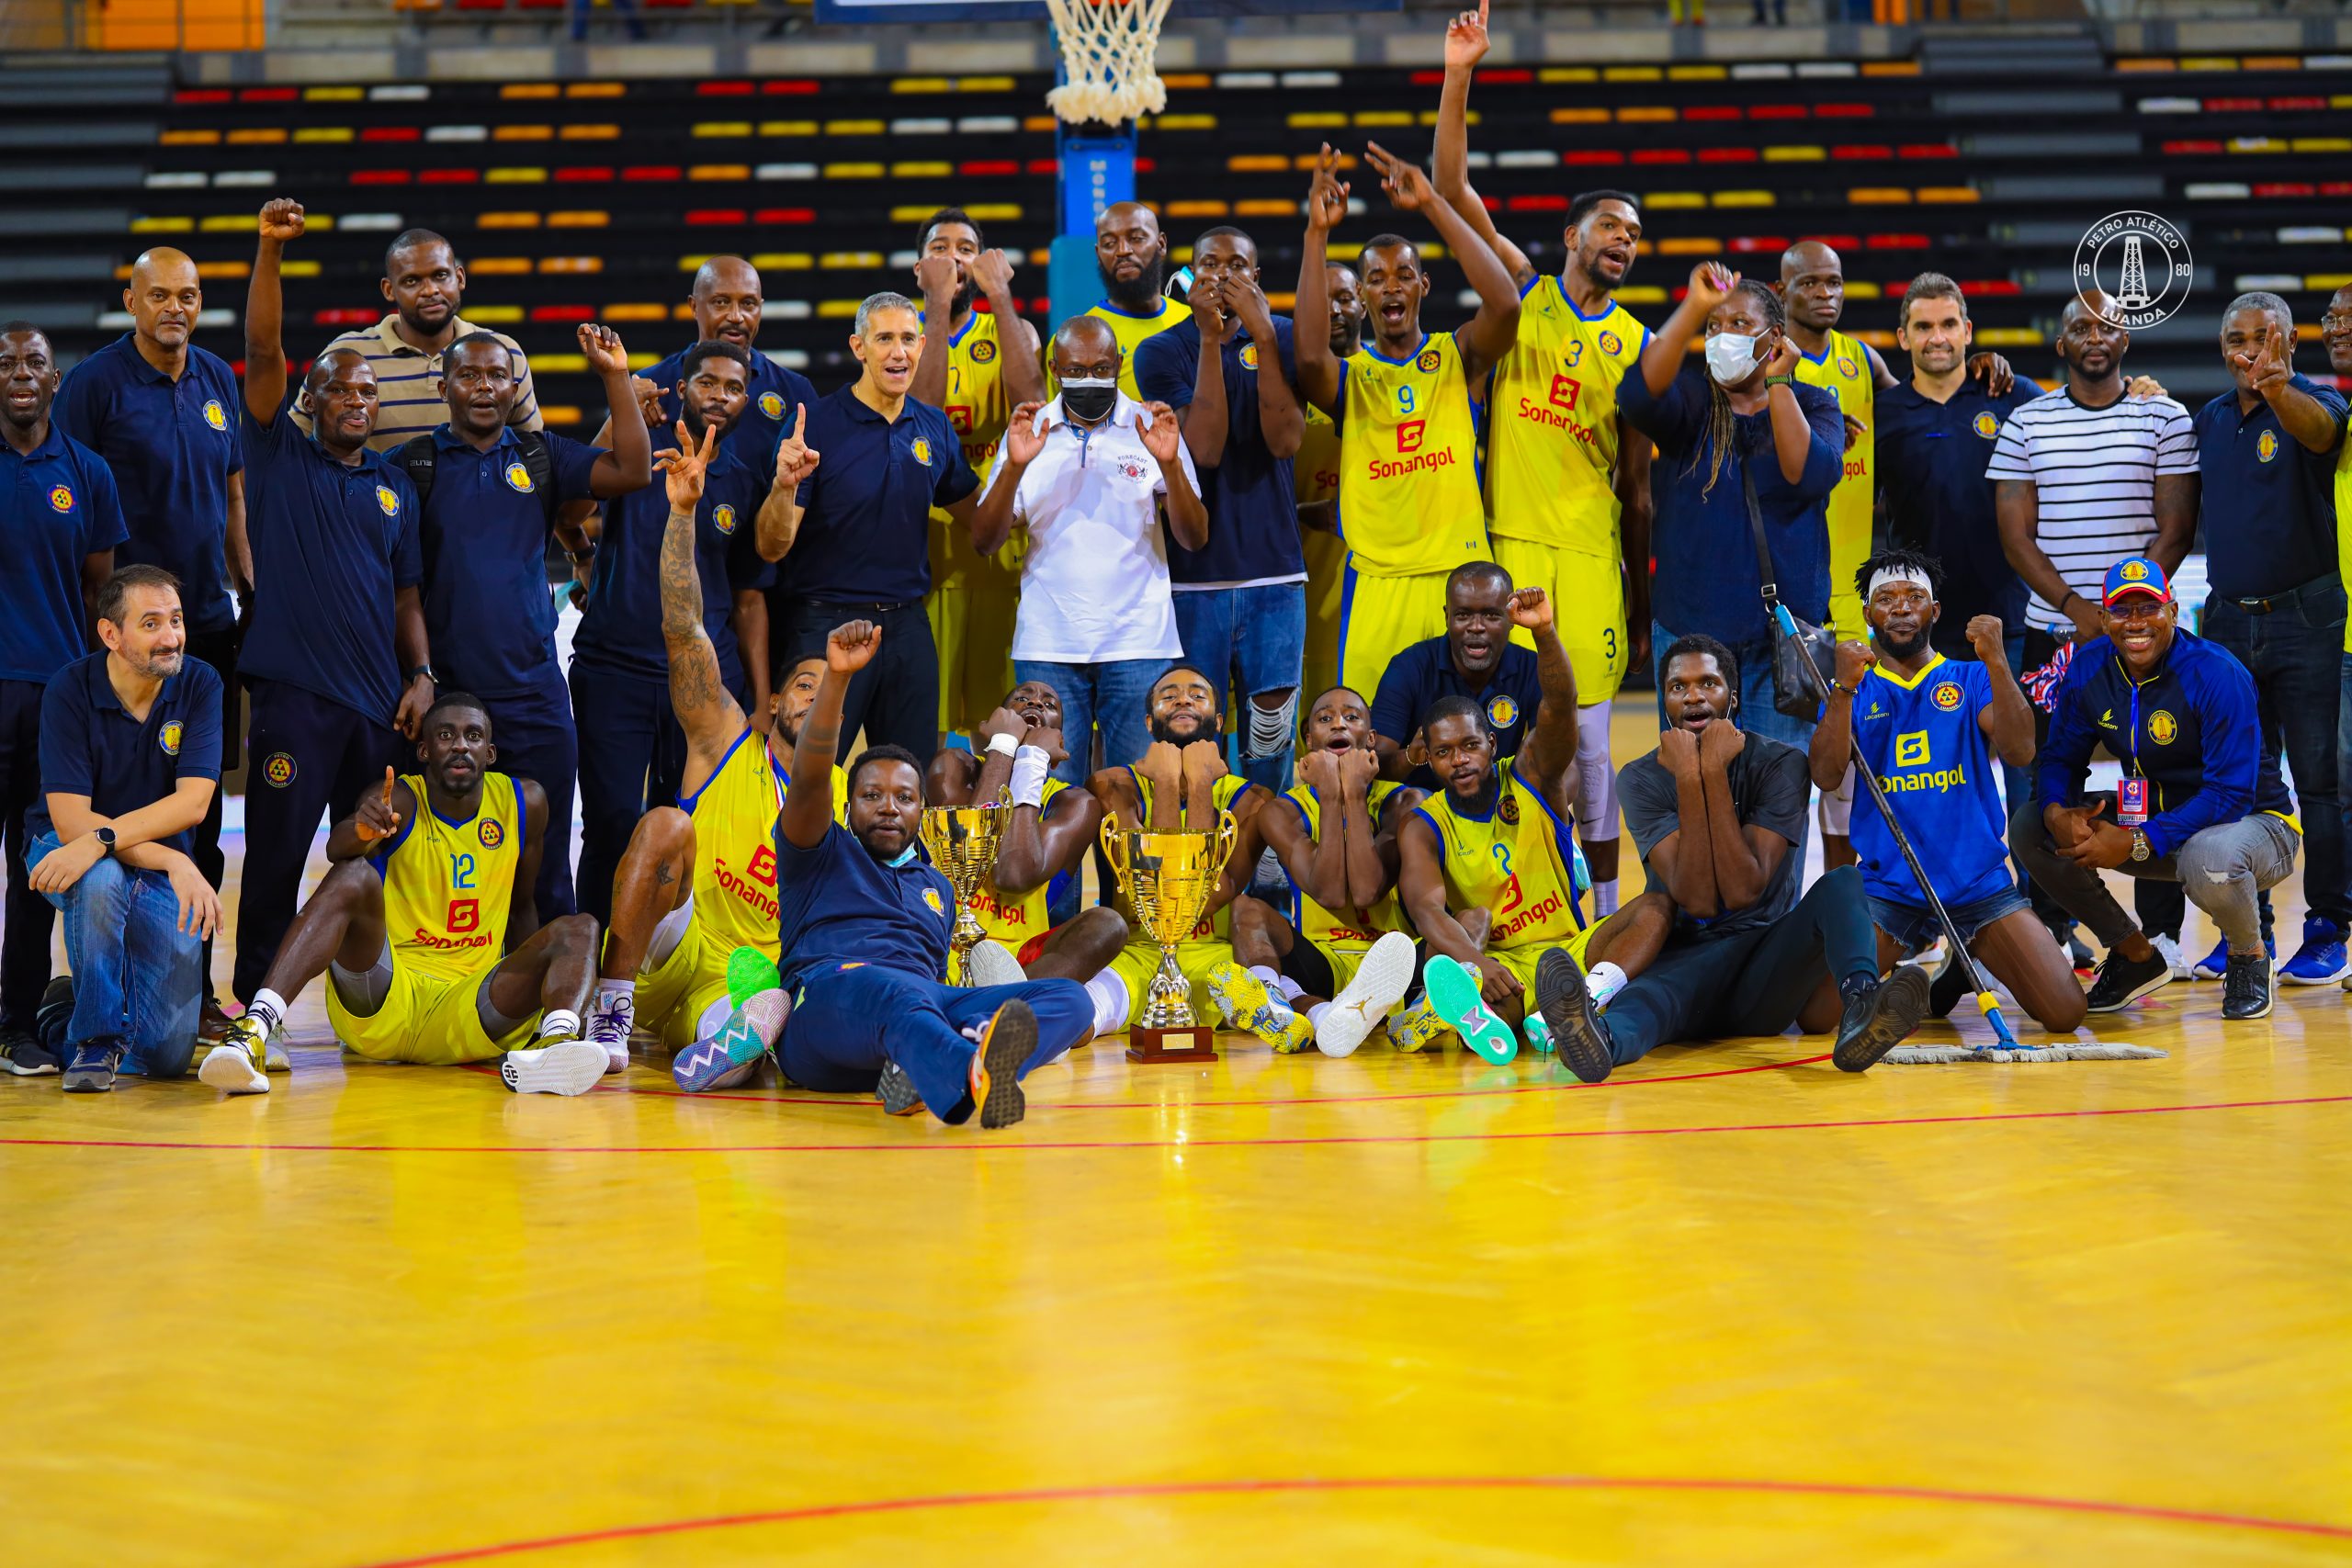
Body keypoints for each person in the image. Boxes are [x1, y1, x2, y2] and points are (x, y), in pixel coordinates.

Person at [690, 618, 1096, 1131]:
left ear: (921, 811)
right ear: (848, 804)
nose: (888, 807)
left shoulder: (939, 884)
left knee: (1069, 998)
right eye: (871, 795)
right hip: (827, 1004)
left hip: (920, 1007)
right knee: (896, 993)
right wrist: (837, 678)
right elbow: (813, 771)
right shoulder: (818, 851)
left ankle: (943, 1060)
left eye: (904, 798)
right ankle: (964, 1075)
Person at [1435, 3, 1650, 919]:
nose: (1622, 242)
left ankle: (1600, 911)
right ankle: (1521, 898)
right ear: (1571, 237)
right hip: (1514, 544)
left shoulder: (1640, 343)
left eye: (1634, 236)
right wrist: (1460, 73)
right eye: (1608, 228)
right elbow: (1448, 186)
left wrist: (1641, 602)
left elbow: (1637, 488)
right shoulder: (1521, 294)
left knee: (1595, 750)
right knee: (1516, 738)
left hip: (1594, 559)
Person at [584, 429, 847, 1076]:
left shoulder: (850, 794)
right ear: (779, 698)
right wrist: (680, 516)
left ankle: (725, 1056)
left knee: (756, 1024)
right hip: (676, 941)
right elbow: (683, 628)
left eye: (829, 692)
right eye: (803, 686)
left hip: (747, 980)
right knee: (666, 823)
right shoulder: (728, 739)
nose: (812, 700)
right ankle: (611, 1007)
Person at [232, 199, 434, 1007]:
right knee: (277, 857)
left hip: (378, 712)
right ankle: (251, 1004)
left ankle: (375, 1001)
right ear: (310, 400)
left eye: (368, 391)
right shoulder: (278, 454)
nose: (358, 399)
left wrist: (421, 673)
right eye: (341, 390)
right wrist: (270, 252)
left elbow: (407, 596)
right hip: (295, 703)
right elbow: (261, 345)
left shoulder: (393, 490)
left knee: (375, 854)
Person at [201, 694, 605, 1097]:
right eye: (446, 735)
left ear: (491, 752)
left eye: (473, 735)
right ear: (425, 751)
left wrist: (534, 1002)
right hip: (384, 1001)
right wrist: (361, 830)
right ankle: (253, 1030)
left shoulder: (524, 803)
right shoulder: (400, 799)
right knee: (354, 873)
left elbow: (521, 910)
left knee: (581, 927)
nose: (461, 744)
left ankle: (556, 1045)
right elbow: (336, 849)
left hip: (473, 1008)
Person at [1581, 636, 1933, 1079]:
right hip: (1686, 965)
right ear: (1664, 701)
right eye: (1677, 687)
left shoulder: (1781, 763)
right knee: (1642, 1005)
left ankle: (1863, 1009)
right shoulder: (1641, 777)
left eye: (1708, 683)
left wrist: (1710, 770)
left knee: (1844, 881)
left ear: (1734, 695)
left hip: (1765, 969)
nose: (1693, 696)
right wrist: (1697, 772)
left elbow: (1746, 890)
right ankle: (1598, 1041)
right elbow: (1697, 899)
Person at [55, 248, 249, 1024]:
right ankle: (87, 998)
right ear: (130, 299)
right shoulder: (94, 384)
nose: (176, 307)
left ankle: (192, 994)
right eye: (160, 294)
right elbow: (70, 502)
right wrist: (91, 631)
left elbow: (234, 491)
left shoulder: (216, 378)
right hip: (124, 639)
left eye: (190, 295)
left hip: (204, 626)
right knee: (107, 823)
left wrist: (249, 586)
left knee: (196, 819)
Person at [401, 323, 652, 920]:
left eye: (496, 375)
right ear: (445, 386)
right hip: (454, 698)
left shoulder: (541, 454)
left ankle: (557, 1003)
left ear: (515, 386)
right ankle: (461, 983)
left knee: (546, 862)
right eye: (469, 374)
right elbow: (402, 588)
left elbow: (633, 469)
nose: (484, 386)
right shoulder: (414, 463)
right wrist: (420, 672)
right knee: (449, 857)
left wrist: (616, 377)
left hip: (537, 697)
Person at [1991, 289, 2198, 975]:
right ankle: (2054, 927)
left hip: (2143, 635)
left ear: (2126, 341)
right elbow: (2015, 537)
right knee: (2050, 782)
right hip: (2056, 634)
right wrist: (2079, 608)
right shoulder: (2026, 422)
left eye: (2108, 325)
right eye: (2080, 325)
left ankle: (2160, 932)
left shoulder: (2164, 415)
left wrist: (2120, 615)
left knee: (2156, 774)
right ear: (2061, 344)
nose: (2094, 335)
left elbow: (2176, 528)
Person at [1395, 588, 1674, 1074]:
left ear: (1491, 742)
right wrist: (1483, 967)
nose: (1459, 760)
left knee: (1657, 905)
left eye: (1469, 745)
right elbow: (1426, 912)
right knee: (1482, 989)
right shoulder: (1423, 824)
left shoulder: (1530, 776)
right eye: (1443, 753)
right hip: (1499, 962)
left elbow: (1562, 705)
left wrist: (1543, 632)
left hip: (1569, 952)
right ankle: (1484, 1016)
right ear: (1431, 759)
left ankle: (1579, 1003)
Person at [1809, 550, 2084, 1036]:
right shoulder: (1856, 685)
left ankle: (1967, 952)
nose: (1900, 608)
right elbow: (1827, 775)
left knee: (2064, 1013)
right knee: (1816, 1016)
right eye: (1886, 599)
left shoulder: (1970, 677)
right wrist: (1841, 691)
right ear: (1869, 613)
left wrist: (1997, 659)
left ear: (1934, 612)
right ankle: (1928, 962)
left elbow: (2021, 750)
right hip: (1890, 888)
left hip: (1976, 884)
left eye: (1914, 597)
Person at [2012, 557, 2298, 1023]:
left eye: (2149, 608)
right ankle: (2134, 957)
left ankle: (2248, 956)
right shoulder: (2089, 668)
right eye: (2123, 611)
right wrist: (2056, 812)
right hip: (2156, 827)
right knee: (2030, 826)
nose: (2136, 623)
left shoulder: (2214, 673)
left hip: (2255, 828)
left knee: (2210, 857)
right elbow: (2060, 757)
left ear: (2173, 610)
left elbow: (2231, 794)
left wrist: (2139, 840)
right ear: (2103, 619)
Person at [1294, 141, 1520, 700]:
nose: (1391, 284)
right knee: (1376, 745)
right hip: (1376, 583)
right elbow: (1305, 356)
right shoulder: (1349, 379)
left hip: (1459, 582)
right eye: (1376, 277)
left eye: (1404, 274)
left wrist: (1433, 206)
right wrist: (1316, 233)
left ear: (1423, 286)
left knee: (1470, 740)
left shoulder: (1457, 356)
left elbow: (1508, 306)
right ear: (1364, 295)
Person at [570, 340, 785, 926]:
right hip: (614, 668)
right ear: (682, 387)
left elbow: (748, 599)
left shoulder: (744, 479)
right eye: (707, 383)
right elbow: (568, 506)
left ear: (748, 399)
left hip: (704, 682)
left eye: (734, 388)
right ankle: (593, 961)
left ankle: (664, 960)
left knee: (686, 823)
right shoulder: (635, 450)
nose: (720, 397)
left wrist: (762, 700)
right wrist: (584, 555)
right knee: (611, 821)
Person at [765, 291, 1020, 759]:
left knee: (909, 778)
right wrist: (783, 488)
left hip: (906, 625)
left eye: (907, 339)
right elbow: (772, 547)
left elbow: (983, 531)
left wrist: (1016, 467)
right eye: (884, 339)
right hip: (826, 621)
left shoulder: (934, 427)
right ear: (859, 347)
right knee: (813, 772)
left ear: (922, 345)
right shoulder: (816, 425)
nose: (898, 351)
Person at [1621, 262, 1843, 758]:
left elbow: (1807, 475)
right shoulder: (1693, 402)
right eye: (1714, 326)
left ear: (1776, 336)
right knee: (1696, 792)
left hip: (1781, 645)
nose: (1723, 336)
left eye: (1739, 324)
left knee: (1778, 800)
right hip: (1691, 642)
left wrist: (1780, 385)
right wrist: (1693, 306)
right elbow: (1635, 395)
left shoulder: (1814, 405)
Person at [2192, 291, 2350, 984]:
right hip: (2227, 617)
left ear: (2290, 341)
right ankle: (2246, 928)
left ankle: (2329, 926)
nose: (2249, 349)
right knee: (2242, 780)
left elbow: (2319, 436)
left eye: (2264, 336)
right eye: (2237, 337)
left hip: (2307, 618)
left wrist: (2280, 386)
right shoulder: (2212, 418)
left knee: (2321, 783)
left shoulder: (2319, 404)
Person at [977, 317, 1204, 784]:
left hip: (1139, 642)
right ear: (1055, 369)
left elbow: (1194, 537)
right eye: (1076, 370)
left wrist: (1170, 466)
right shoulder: (1029, 430)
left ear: (1120, 364)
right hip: (1050, 644)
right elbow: (985, 539)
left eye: (1101, 368)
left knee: (1135, 798)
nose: (1089, 379)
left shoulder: (1150, 424)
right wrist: (1014, 468)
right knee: (1049, 799)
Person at [1871, 272, 2045, 881]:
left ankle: (2043, 916)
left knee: (2029, 780)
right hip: (1922, 632)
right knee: (1933, 777)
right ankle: (1937, 911)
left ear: (1968, 330)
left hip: (2011, 617)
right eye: (1924, 326)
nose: (1937, 337)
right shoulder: (1882, 413)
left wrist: (2142, 388)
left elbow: (2079, 418)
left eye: (1949, 324)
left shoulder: (2013, 395)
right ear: (1903, 336)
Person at [24, 568, 220, 1090]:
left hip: (146, 854)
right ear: (111, 634)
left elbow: (193, 803)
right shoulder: (70, 688)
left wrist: (165, 855)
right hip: (62, 846)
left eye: (175, 621)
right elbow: (69, 821)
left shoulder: (200, 683)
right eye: (151, 623)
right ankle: (96, 1040)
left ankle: (61, 1013)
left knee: (168, 1056)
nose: (170, 637)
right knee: (100, 878)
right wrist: (167, 858)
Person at [1134, 224, 1308, 796]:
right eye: (1210, 265)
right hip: (1192, 584)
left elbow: (1285, 441)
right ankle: (1196, 878)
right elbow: (1202, 451)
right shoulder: (1161, 351)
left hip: (1276, 579)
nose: (1222, 275)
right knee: (1193, 752)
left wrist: (1260, 333)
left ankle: (1267, 881)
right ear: (1189, 277)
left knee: (1270, 752)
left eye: (1237, 265)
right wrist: (1211, 341)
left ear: (1256, 278)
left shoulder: (1284, 337)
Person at [0, 323, 127, 1074]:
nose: (20, 372)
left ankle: (15, 1027)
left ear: (56, 382)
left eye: (34, 362)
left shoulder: (86, 471)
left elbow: (95, 594)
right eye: (6, 362)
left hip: (51, 701)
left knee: (33, 871)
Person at [1215, 685, 1422, 1057]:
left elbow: (1365, 892)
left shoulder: (1404, 801)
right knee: (1246, 909)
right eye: (1325, 719)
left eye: (1352, 717)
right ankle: (1277, 1008)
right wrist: (1330, 795)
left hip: (1394, 961)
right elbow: (1329, 893)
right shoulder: (1281, 811)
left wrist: (1352, 794)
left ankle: (1323, 1013)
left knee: (1453, 939)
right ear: (1309, 740)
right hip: (1324, 961)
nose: (1338, 724)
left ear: (1370, 739)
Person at [910, 210, 1046, 737]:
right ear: (920, 270)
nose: (953, 257)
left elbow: (1033, 403)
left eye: (966, 248)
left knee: (1001, 722)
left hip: (1002, 543)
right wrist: (936, 306)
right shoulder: (901, 339)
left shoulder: (1013, 329)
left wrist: (1002, 297)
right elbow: (922, 415)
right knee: (929, 720)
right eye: (939, 248)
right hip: (930, 545)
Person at [1082, 666, 1271, 1044]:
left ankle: (1322, 1015)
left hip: (1217, 960)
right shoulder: (1113, 784)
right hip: (1136, 951)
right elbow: (1151, 896)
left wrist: (1200, 783)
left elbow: (1199, 902)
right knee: (1084, 1013)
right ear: (1150, 723)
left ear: (1218, 722)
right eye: (1169, 695)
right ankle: (1024, 1038)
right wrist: (1167, 781)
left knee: (1264, 1017)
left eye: (1197, 695)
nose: (1183, 699)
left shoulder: (1253, 800)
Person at [926, 682, 1129, 987]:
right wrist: (1004, 746)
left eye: (1049, 705)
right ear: (993, 723)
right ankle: (1004, 1005)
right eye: (1022, 699)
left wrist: (1030, 762)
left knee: (1108, 925)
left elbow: (1012, 876)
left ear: (1059, 742)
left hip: (1019, 962)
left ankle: (1002, 1001)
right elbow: (970, 856)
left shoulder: (1076, 804)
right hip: (941, 940)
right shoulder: (955, 767)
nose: (1036, 704)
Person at [293, 227, 539, 451]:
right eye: (412, 280)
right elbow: (294, 440)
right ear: (389, 289)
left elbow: (532, 451)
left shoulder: (505, 352)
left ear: (460, 278)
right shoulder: (346, 354)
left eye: (441, 275)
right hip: (370, 500)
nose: (430, 290)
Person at [1369, 561, 1547, 791]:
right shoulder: (1409, 667)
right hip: (1422, 807)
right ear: (1447, 617)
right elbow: (1376, 762)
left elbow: (1561, 760)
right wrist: (1411, 756)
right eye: (1463, 615)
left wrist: (1530, 805)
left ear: (1511, 617)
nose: (1476, 627)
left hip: (1501, 803)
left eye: (1491, 615)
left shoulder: (1532, 667)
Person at [1296, 260, 1361, 708]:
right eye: (1323, 301)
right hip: (1307, 591)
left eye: (1343, 298)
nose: (1334, 310)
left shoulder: (1388, 375)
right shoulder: (1285, 388)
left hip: (1373, 583)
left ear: (1362, 300)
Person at [1088, 200, 1191, 396]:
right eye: (1109, 244)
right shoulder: (1078, 339)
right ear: (1098, 254)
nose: (1123, 250)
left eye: (1136, 238)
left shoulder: (1195, 322)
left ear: (1161, 245)